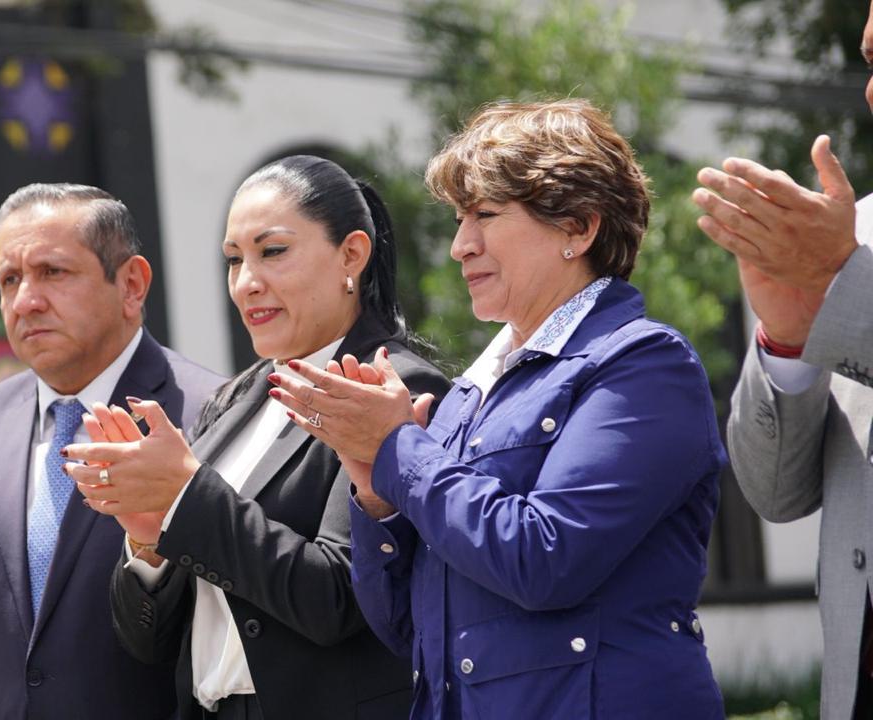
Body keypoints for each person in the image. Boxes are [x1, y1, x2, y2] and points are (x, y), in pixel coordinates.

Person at [270, 102, 727, 719]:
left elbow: (545, 561)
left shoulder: (644, 365)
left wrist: (398, 448)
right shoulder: (472, 392)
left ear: (578, 228)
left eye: (485, 214)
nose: (460, 246)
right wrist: (375, 492)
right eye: (460, 219)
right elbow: (410, 630)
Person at [64, 155, 450, 720]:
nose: (247, 283)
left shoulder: (396, 389)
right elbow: (150, 643)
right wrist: (148, 544)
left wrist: (185, 495)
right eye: (233, 259)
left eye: (272, 252)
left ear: (351, 254)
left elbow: (343, 599)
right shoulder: (236, 397)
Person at [0, 183, 223, 719]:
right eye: (10, 279)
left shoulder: (210, 413)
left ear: (132, 284)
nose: (26, 301)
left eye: (53, 272)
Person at [692, 7, 873, 717]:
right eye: (870, 61)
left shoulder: (844, 256)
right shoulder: (852, 233)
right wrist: (789, 343)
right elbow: (774, 493)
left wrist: (845, 283)